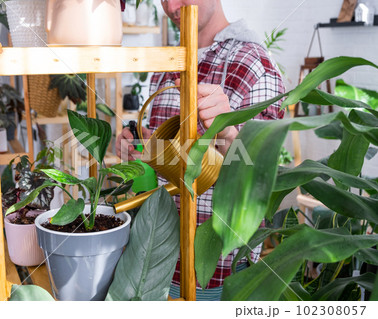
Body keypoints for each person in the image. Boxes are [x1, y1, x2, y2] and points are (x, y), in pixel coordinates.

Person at [116, 0, 285, 300]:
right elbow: (167, 159)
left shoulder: (253, 64)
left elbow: (261, 175)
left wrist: (229, 128)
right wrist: (141, 145)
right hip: (156, 264)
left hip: (219, 277)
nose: (170, 6)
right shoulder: (168, 67)